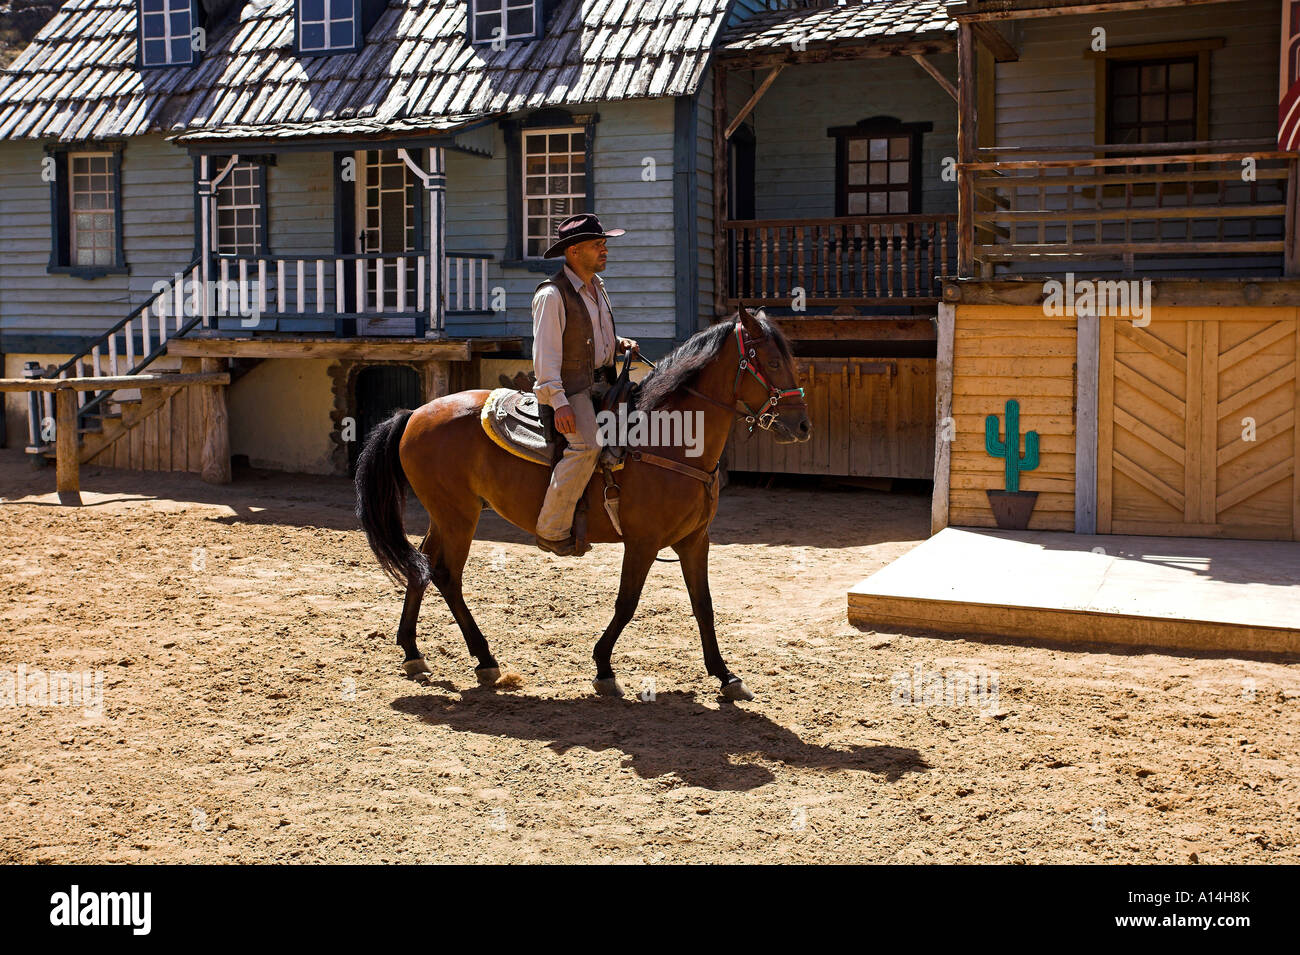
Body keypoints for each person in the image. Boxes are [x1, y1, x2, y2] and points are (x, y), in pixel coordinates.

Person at [531, 213, 638, 556]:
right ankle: (552, 528)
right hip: (572, 389)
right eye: (598, 244)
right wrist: (558, 401)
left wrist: (618, 342)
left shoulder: (596, 287)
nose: (605, 250)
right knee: (587, 446)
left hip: (603, 382)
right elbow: (546, 355)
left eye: (605, 243)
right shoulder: (552, 295)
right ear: (574, 251)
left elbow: (588, 334)